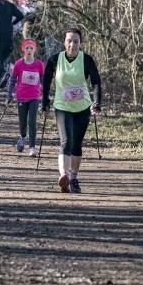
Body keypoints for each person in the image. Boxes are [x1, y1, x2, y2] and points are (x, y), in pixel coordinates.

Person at [41, 27, 102, 194]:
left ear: (80, 43)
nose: (72, 44)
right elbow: (46, 81)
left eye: (76, 41)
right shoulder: (55, 60)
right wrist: (44, 102)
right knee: (66, 141)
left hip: (82, 107)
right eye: (69, 41)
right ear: (64, 42)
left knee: (76, 144)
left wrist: (96, 102)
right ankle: (64, 176)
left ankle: (74, 178)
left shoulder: (87, 60)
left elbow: (96, 82)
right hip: (62, 106)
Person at [8, 39, 44, 156]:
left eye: (31, 48)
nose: (29, 50)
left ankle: (32, 147)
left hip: (34, 96)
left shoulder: (39, 65)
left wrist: (45, 94)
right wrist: (9, 94)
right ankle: (23, 137)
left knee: (32, 121)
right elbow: (12, 80)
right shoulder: (19, 64)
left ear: (35, 50)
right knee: (23, 123)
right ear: (23, 50)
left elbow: (43, 81)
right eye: (27, 48)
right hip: (22, 97)